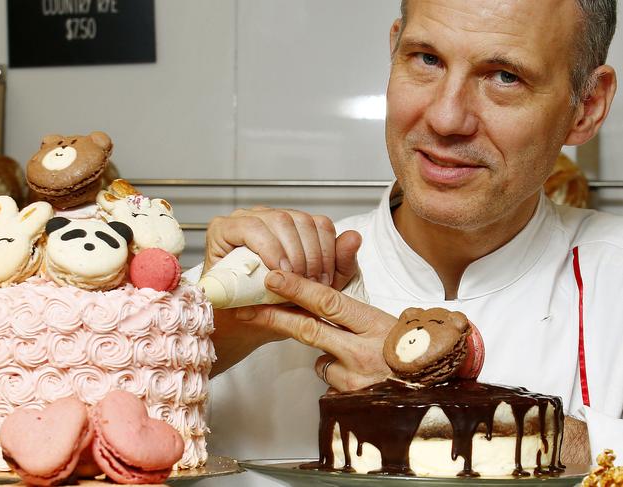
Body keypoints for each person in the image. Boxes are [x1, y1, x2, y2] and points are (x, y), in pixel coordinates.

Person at [189, 1, 621, 484]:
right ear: (394, 49)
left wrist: (453, 412)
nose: (445, 118)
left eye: (504, 76)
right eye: (427, 60)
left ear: (587, 106)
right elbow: (93, 410)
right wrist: (193, 340)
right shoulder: (252, 279)